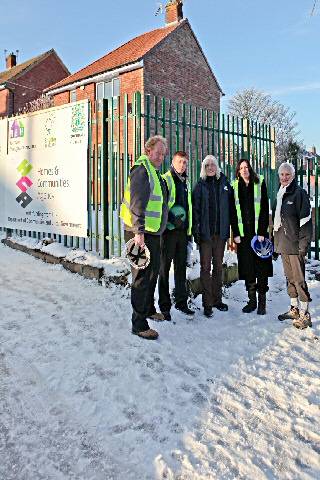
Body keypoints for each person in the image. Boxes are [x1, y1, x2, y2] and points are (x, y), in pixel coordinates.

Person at [120, 135, 169, 340]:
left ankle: (148, 309)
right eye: (157, 153)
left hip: (152, 232)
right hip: (140, 233)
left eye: (163, 154)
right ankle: (138, 324)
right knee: (141, 278)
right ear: (148, 151)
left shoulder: (155, 173)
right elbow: (137, 203)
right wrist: (139, 232)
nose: (160, 157)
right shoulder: (141, 170)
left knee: (152, 274)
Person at [192, 155, 234, 318]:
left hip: (221, 234)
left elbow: (231, 208)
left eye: (213, 164)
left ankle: (217, 300)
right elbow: (195, 212)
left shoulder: (225, 184)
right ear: (204, 167)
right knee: (205, 268)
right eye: (207, 165)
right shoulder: (199, 186)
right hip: (205, 236)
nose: (210, 167)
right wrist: (197, 232)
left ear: (217, 167)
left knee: (218, 267)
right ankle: (207, 303)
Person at [273, 162, 312, 329]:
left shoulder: (299, 194)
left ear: (293, 176)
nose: (284, 177)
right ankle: (294, 308)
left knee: (299, 279)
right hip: (283, 243)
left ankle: (305, 314)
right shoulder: (280, 193)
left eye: (287, 174)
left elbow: (306, 221)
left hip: (295, 245)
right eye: (282, 174)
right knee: (289, 278)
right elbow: (277, 220)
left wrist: (303, 245)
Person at [232, 158, 273, 315]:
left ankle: (262, 302)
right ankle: (251, 301)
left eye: (246, 167)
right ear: (238, 171)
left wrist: (262, 231)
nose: (244, 170)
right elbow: (232, 213)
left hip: (259, 235)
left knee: (261, 268)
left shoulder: (259, 182)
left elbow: (264, 207)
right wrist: (235, 233)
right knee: (248, 268)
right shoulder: (235, 186)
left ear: (250, 168)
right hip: (243, 236)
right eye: (241, 168)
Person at [158, 151, 194, 321]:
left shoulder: (185, 181)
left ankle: (181, 302)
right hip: (168, 232)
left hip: (182, 232)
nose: (182, 165)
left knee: (181, 269)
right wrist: (172, 219)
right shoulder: (166, 179)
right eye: (180, 162)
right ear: (173, 162)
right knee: (164, 270)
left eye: (185, 162)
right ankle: (164, 307)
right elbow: (161, 204)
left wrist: (188, 232)